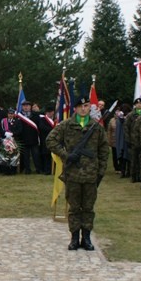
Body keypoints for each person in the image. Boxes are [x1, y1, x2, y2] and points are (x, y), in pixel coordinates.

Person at [47, 96, 109, 251]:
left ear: (90, 108)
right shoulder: (67, 125)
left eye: (86, 106)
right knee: (74, 208)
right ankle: (74, 238)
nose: (83, 109)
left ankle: (86, 238)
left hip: (90, 174)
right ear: (75, 108)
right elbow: (50, 140)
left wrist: (100, 171)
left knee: (88, 207)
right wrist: (66, 155)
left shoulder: (96, 127)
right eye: (80, 106)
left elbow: (103, 151)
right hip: (73, 174)